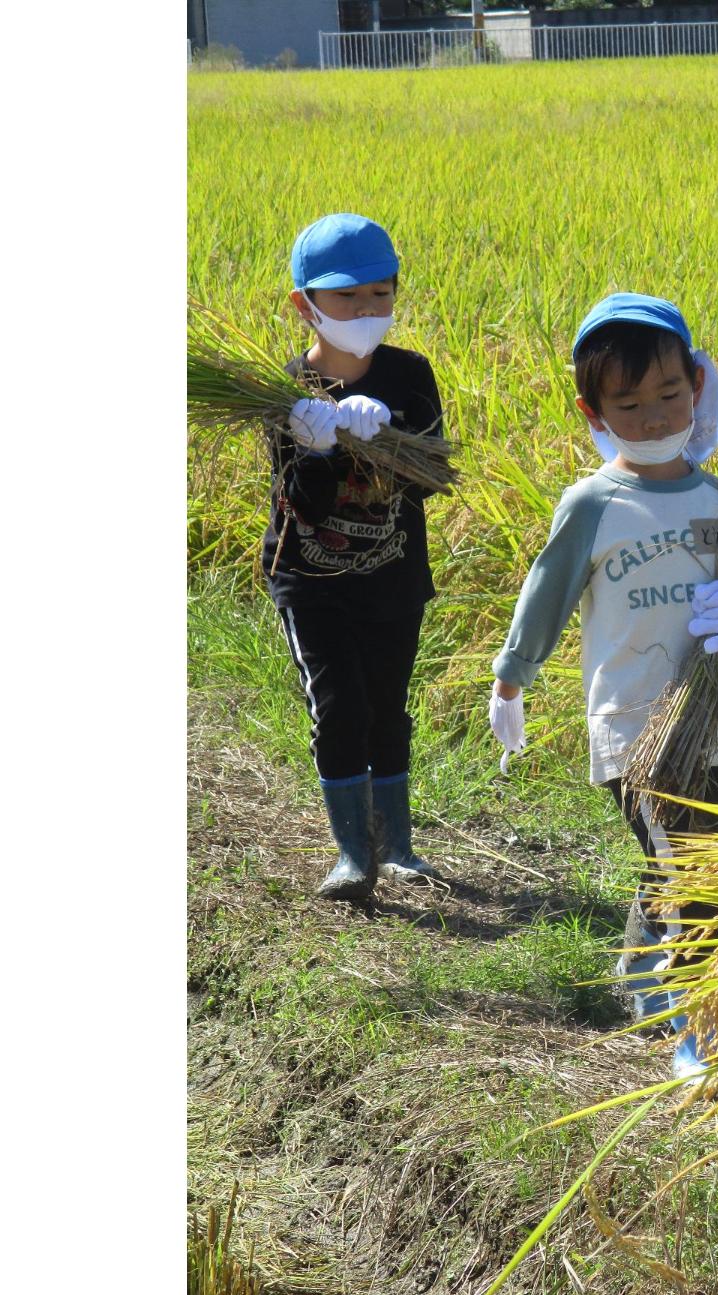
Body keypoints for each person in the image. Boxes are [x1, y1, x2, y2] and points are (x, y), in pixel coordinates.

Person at [486, 293, 718, 1073]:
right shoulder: (594, 503)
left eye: (669, 396)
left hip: (715, 726)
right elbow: (545, 596)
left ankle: (643, 980)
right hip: (633, 726)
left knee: (680, 860)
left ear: (698, 385)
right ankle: (694, 1029)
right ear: (593, 410)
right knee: (700, 873)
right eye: (630, 404)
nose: (653, 418)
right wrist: (511, 679)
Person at [265, 213, 447, 905]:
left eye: (381, 292)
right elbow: (305, 508)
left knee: (386, 709)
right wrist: (315, 447)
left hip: (394, 576)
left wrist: (389, 434)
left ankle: (396, 846)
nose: (367, 309)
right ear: (304, 303)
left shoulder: (409, 375)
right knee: (340, 707)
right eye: (346, 297)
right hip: (311, 580)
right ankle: (352, 855)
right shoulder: (285, 391)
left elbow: (431, 480)